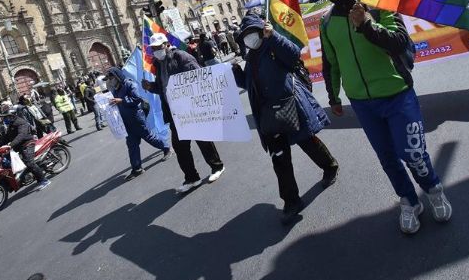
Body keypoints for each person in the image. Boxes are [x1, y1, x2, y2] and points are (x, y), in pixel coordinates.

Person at [314, 0, 451, 234]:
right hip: (362, 104)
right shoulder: (326, 22)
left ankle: (433, 189)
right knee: (388, 159)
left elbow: (400, 41)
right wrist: (334, 97)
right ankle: (409, 201)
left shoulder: (378, 4)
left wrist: (366, 25)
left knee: (413, 153)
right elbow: (331, 62)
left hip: (397, 95)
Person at [232, 14, 339, 224]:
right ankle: (291, 202)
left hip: (290, 105)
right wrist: (237, 74)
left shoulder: (273, 45)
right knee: (279, 159)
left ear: (261, 31)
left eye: (252, 33)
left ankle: (330, 166)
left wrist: (273, 38)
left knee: (307, 141)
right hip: (269, 116)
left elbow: (293, 55)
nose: (249, 38)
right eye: (245, 36)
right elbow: (249, 86)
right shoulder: (251, 58)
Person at [142, 33, 225, 193]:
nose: (157, 51)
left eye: (159, 47)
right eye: (154, 49)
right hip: (174, 112)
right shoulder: (158, 64)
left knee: (202, 139)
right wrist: (150, 87)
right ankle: (192, 178)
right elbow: (162, 87)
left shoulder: (180, 57)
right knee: (180, 147)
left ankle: (217, 167)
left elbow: (198, 75)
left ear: (166, 45)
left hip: (190, 107)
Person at [105, 67, 174, 180]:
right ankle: (137, 168)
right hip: (126, 120)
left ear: (116, 76)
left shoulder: (129, 84)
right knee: (132, 144)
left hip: (136, 117)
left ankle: (167, 148)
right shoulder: (115, 89)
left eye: (111, 77)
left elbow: (136, 98)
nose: (109, 80)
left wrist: (122, 101)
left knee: (148, 136)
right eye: (108, 78)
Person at [0, 101, 50, 190]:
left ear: (12, 115)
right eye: (4, 118)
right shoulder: (11, 125)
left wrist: (11, 145)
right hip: (18, 146)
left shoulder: (21, 122)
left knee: (29, 162)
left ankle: (43, 180)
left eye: (6, 117)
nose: (4, 119)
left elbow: (21, 136)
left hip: (27, 144)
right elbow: (6, 138)